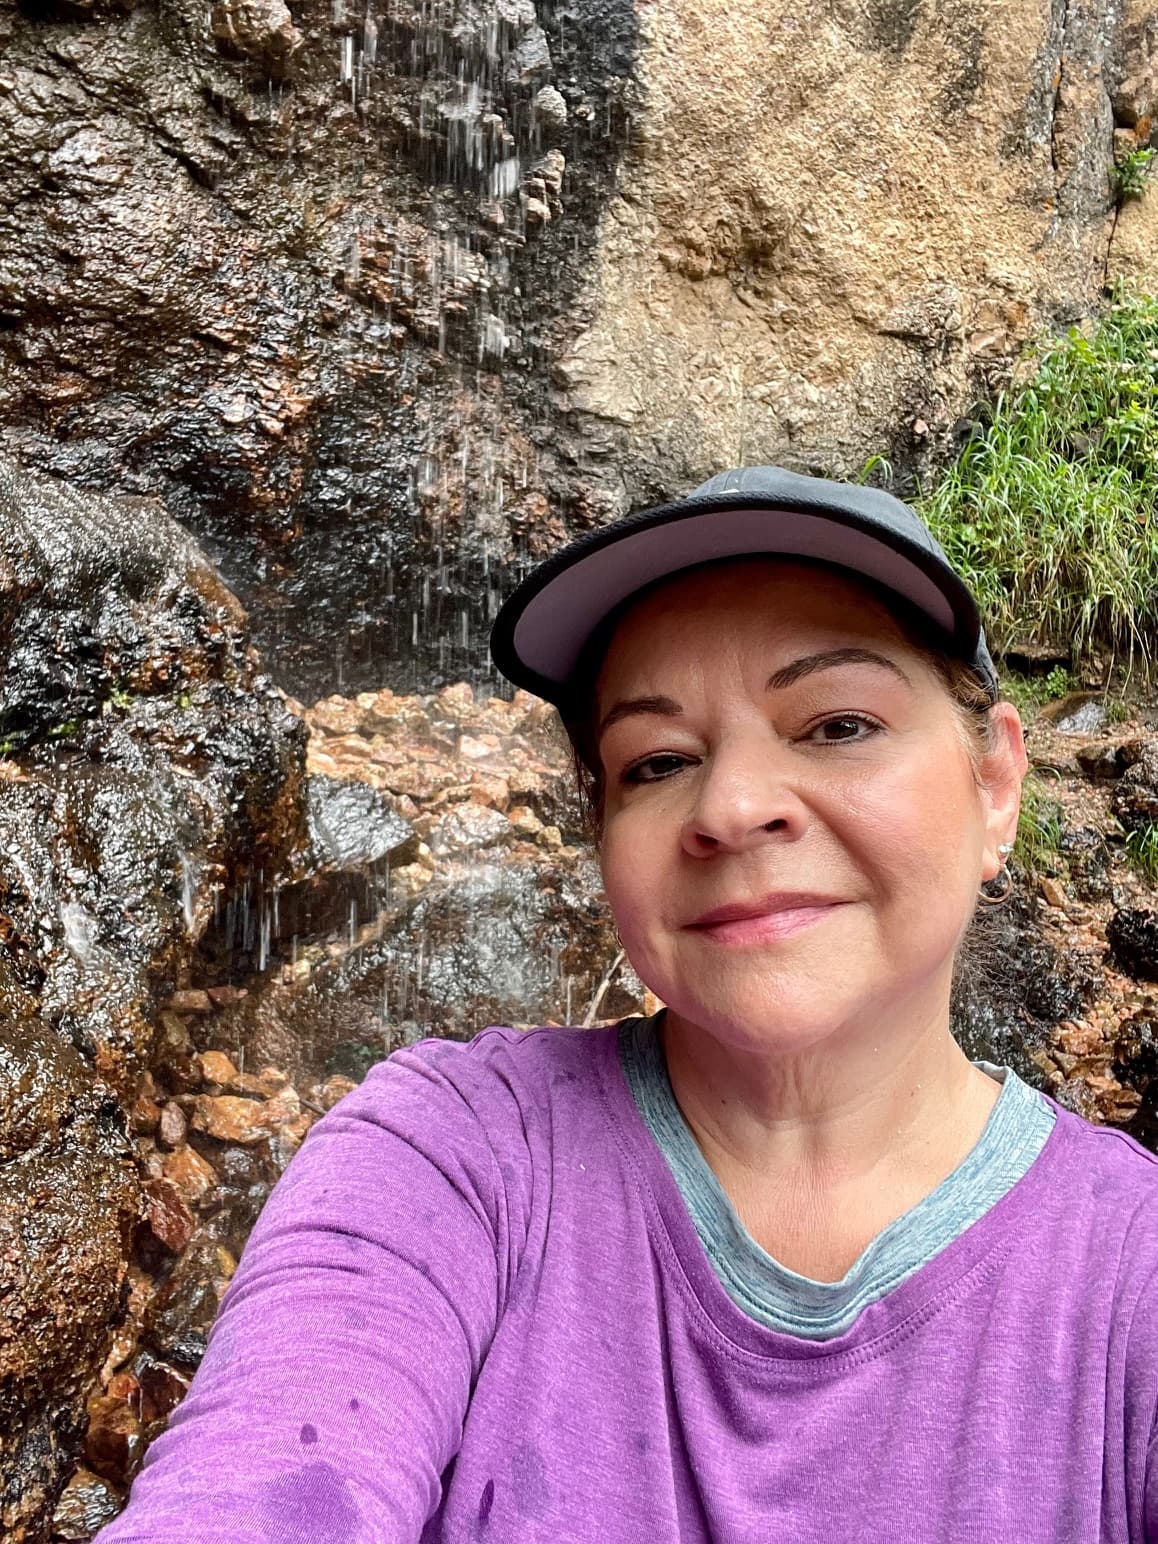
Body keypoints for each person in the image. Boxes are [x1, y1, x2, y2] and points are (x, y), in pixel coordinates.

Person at [97, 466, 1158, 1543]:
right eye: (656, 761)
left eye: (837, 723)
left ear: (995, 784)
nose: (733, 808)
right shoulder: (448, 1152)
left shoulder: (1133, 1268)